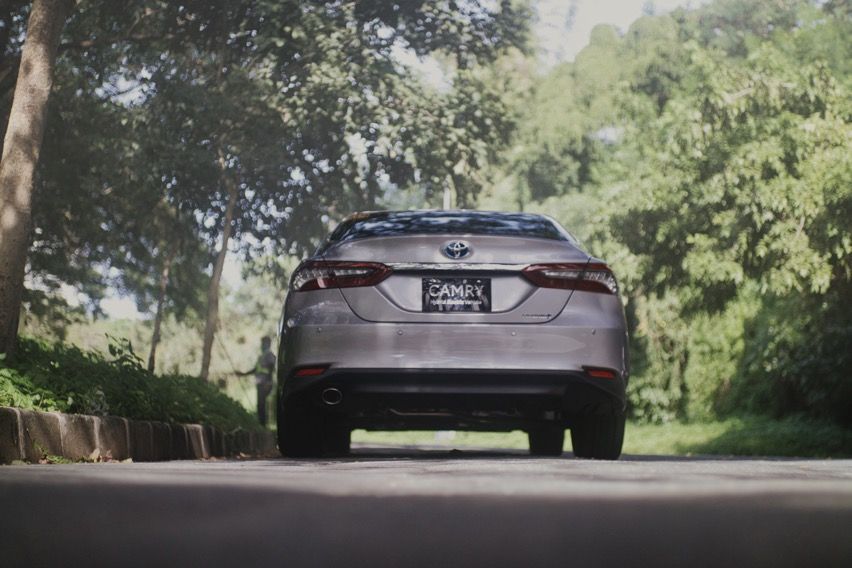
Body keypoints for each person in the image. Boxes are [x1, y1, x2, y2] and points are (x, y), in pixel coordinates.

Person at [240, 336, 276, 427]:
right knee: (260, 404)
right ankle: (261, 424)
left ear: (268, 344)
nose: (262, 345)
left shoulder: (270, 355)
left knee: (261, 404)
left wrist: (269, 382)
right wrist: (243, 374)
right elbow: (256, 369)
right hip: (260, 383)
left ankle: (262, 424)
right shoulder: (261, 356)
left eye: (264, 343)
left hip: (265, 383)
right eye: (262, 343)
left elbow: (271, 368)